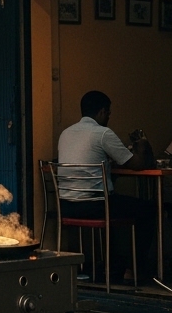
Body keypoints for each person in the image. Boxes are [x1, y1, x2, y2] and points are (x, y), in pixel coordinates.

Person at [56, 91, 156, 283]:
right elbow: (136, 164)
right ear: (102, 112)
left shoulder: (65, 133)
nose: (109, 117)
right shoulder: (103, 133)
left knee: (119, 204)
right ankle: (133, 269)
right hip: (97, 206)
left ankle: (113, 264)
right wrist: (142, 144)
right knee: (148, 209)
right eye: (108, 113)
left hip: (67, 205)